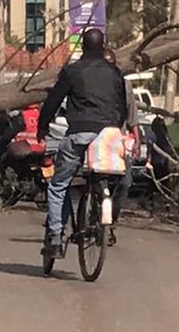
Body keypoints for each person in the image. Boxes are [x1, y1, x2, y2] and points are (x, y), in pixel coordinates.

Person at [36, 28, 129, 251]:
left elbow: (53, 101)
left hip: (79, 132)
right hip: (108, 135)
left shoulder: (72, 71)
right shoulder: (115, 73)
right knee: (107, 174)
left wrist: (43, 127)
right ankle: (100, 208)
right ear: (103, 45)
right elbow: (123, 107)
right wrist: (115, 127)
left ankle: (56, 237)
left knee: (59, 184)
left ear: (83, 47)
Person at [103, 48, 141, 242]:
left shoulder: (124, 86)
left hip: (118, 143)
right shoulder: (92, 85)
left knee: (124, 182)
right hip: (96, 144)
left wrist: (137, 141)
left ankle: (111, 221)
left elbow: (132, 116)